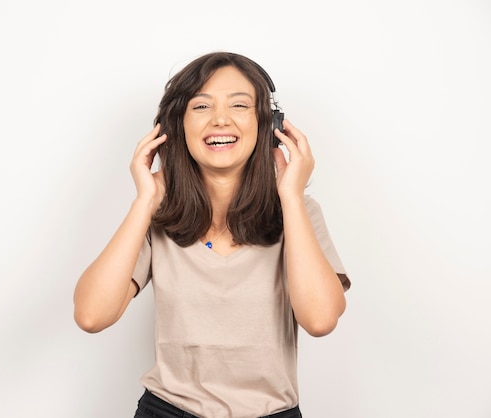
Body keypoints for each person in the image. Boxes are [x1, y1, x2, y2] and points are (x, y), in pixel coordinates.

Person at [73, 51, 351, 418]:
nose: (220, 119)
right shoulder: (157, 214)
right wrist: (144, 201)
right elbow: (92, 315)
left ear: (269, 125)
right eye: (201, 106)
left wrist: (290, 197)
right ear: (175, 127)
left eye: (239, 105)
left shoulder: (298, 212)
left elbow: (320, 320)